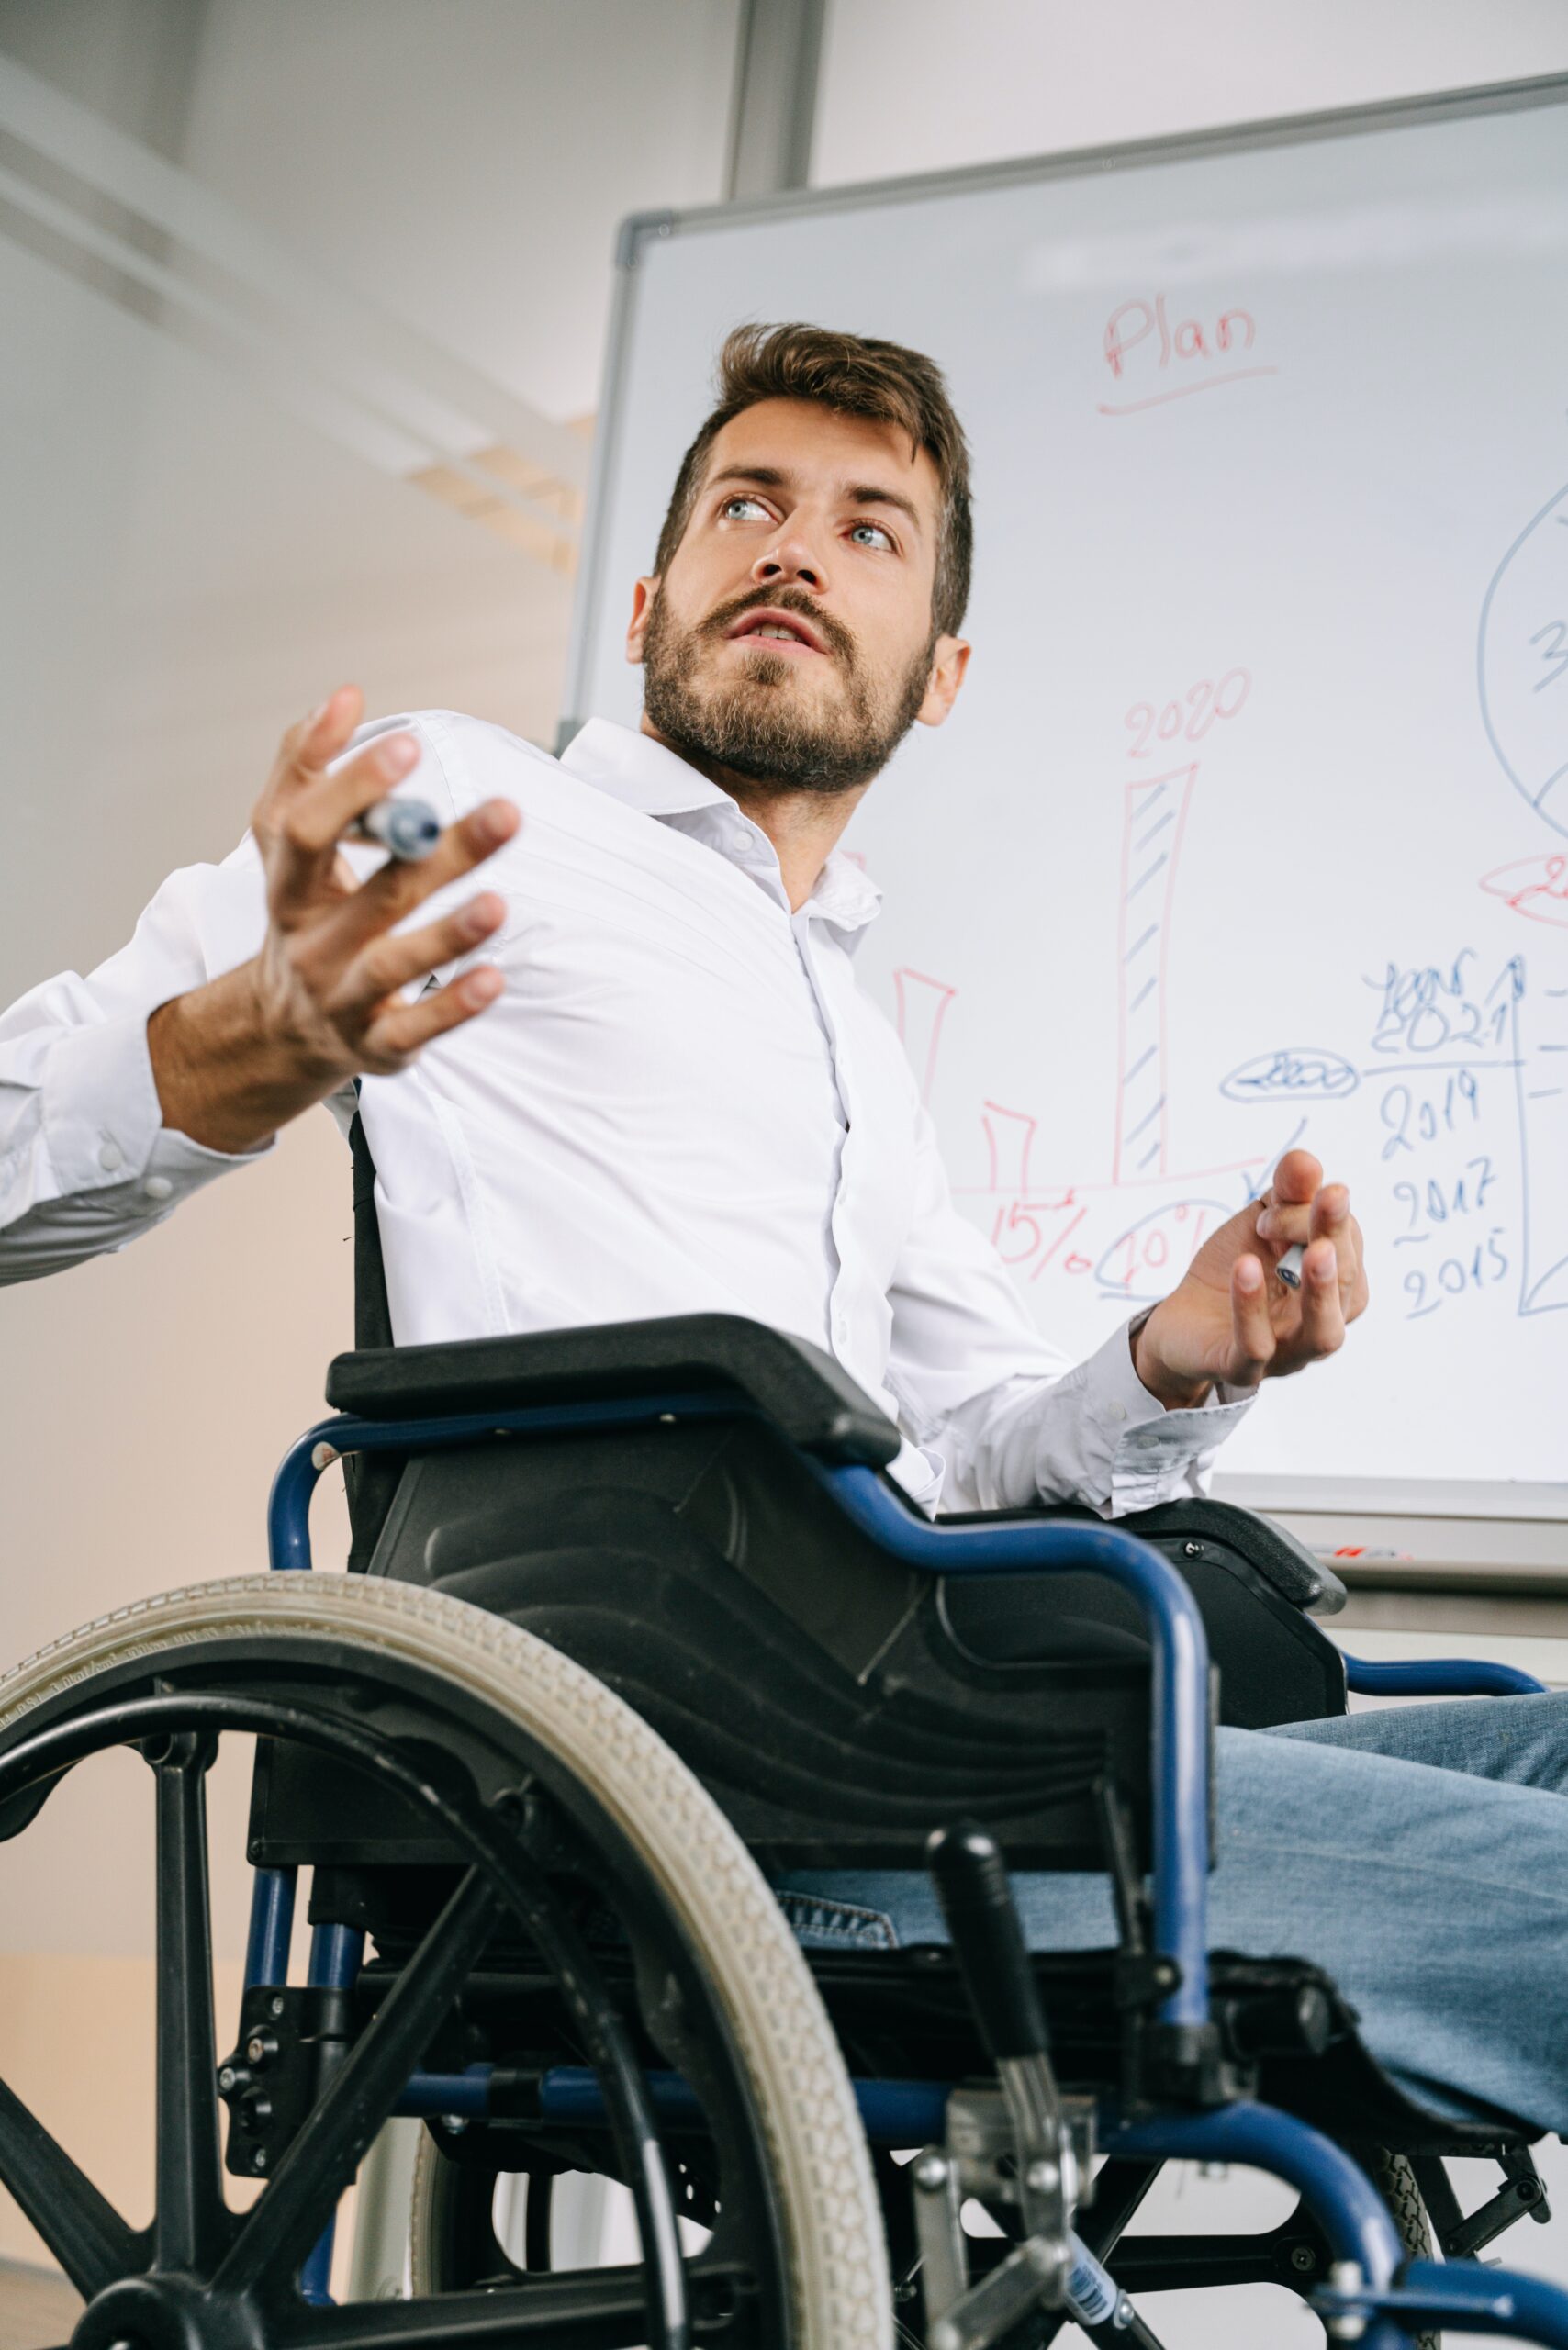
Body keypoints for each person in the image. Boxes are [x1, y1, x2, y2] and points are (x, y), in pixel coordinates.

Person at [0, 323, 1559, 2134]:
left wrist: (1164, 1361)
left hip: (901, 1692)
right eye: (749, 502)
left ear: (941, 672)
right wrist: (252, 1038)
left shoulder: (851, 1051)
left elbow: (968, 1464)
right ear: (658, 591)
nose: (795, 548)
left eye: (868, 528)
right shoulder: (468, 811)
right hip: (690, 1749)